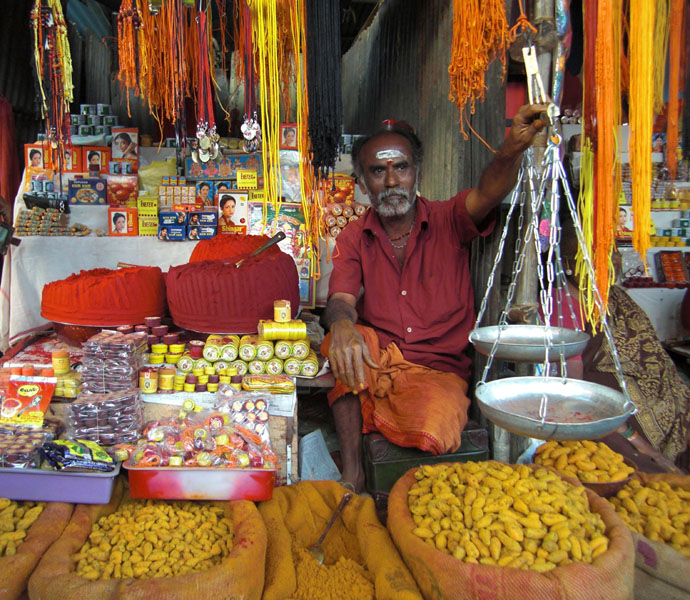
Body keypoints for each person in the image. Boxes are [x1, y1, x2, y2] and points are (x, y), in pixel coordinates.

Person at [321, 104, 547, 492]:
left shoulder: (448, 218)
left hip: (439, 368)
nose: (391, 180)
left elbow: (489, 191)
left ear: (416, 174)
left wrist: (511, 150)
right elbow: (342, 296)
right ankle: (353, 474)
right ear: (361, 182)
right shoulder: (354, 235)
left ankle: (385, 433)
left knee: (432, 429)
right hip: (383, 356)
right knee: (340, 345)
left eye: (401, 168)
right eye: (378, 171)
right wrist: (341, 325)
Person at [555, 217, 690, 470]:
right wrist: (638, 442)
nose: (613, 262)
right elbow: (573, 391)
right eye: (599, 254)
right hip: (614, 416)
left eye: (615, 253)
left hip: (668, 403)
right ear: (568, 264)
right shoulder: (563, 309)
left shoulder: (616, 297)